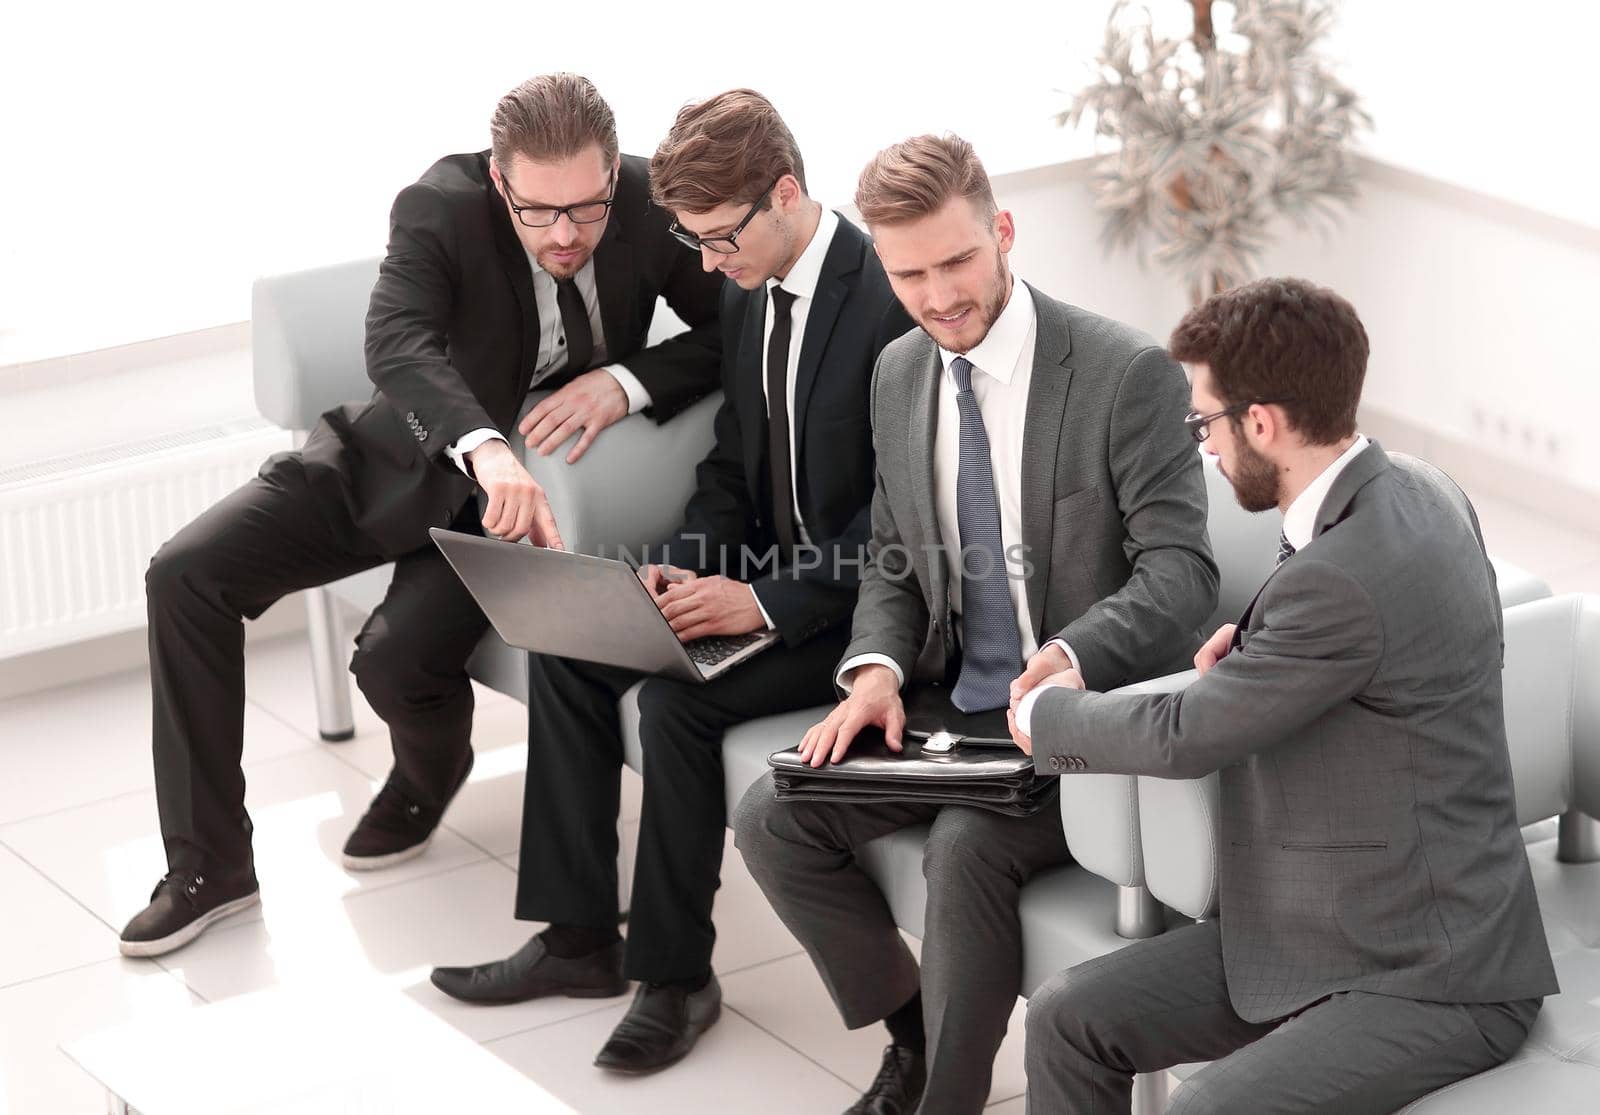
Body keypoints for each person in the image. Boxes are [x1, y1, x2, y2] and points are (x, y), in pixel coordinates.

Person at [119, 73, 724, 958]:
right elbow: (396, 342)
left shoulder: (645, 199)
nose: (566, 234)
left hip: (522, 509)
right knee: (185, 574)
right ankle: (210, 866)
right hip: (397, 460)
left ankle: (428, 771)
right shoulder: (439, 208)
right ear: (499, 182)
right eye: (540, 211)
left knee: (395, 661)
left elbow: (736, 322)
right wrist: (483, 444)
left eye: (586, 209)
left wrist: (625, 381)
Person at [428, 89, 914, 1075]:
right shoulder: (744, 281)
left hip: (866, 605)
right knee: (577, 640)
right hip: (761, 571)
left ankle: (677, 975)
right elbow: (734, 462)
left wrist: (765, 602)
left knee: (675, 708)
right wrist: (688, 565)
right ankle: (577, 939)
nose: (707, 265)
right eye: (693, 242)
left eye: (720, 239)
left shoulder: (889, 301)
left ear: (786, 193)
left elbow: (912, 519)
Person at [732, 134, 1218, 1115]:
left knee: (965, 847)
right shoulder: (899, 373)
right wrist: (872, 666)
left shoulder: (1124, 374)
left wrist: (1071, 653)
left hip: (1081, 719)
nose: (938, 293)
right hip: (957, 708)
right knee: (771, 812)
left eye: (956, 261)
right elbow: (894, 558)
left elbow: (1183, 575)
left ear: (1001, 232)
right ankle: (911, 1034)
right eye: (909, 273)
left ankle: (940, 1101)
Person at [1014, 276, 1558, 1114]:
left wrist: (1046, 716)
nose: (1203, 447)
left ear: (1261, 422)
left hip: (1431, 973)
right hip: (1322, 925)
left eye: (1205, 422)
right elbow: (1375, 653)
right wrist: (1260, 649)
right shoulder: (1417, 487)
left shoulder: (1344, 574)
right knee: (1068, 1016)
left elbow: (1185, 735)